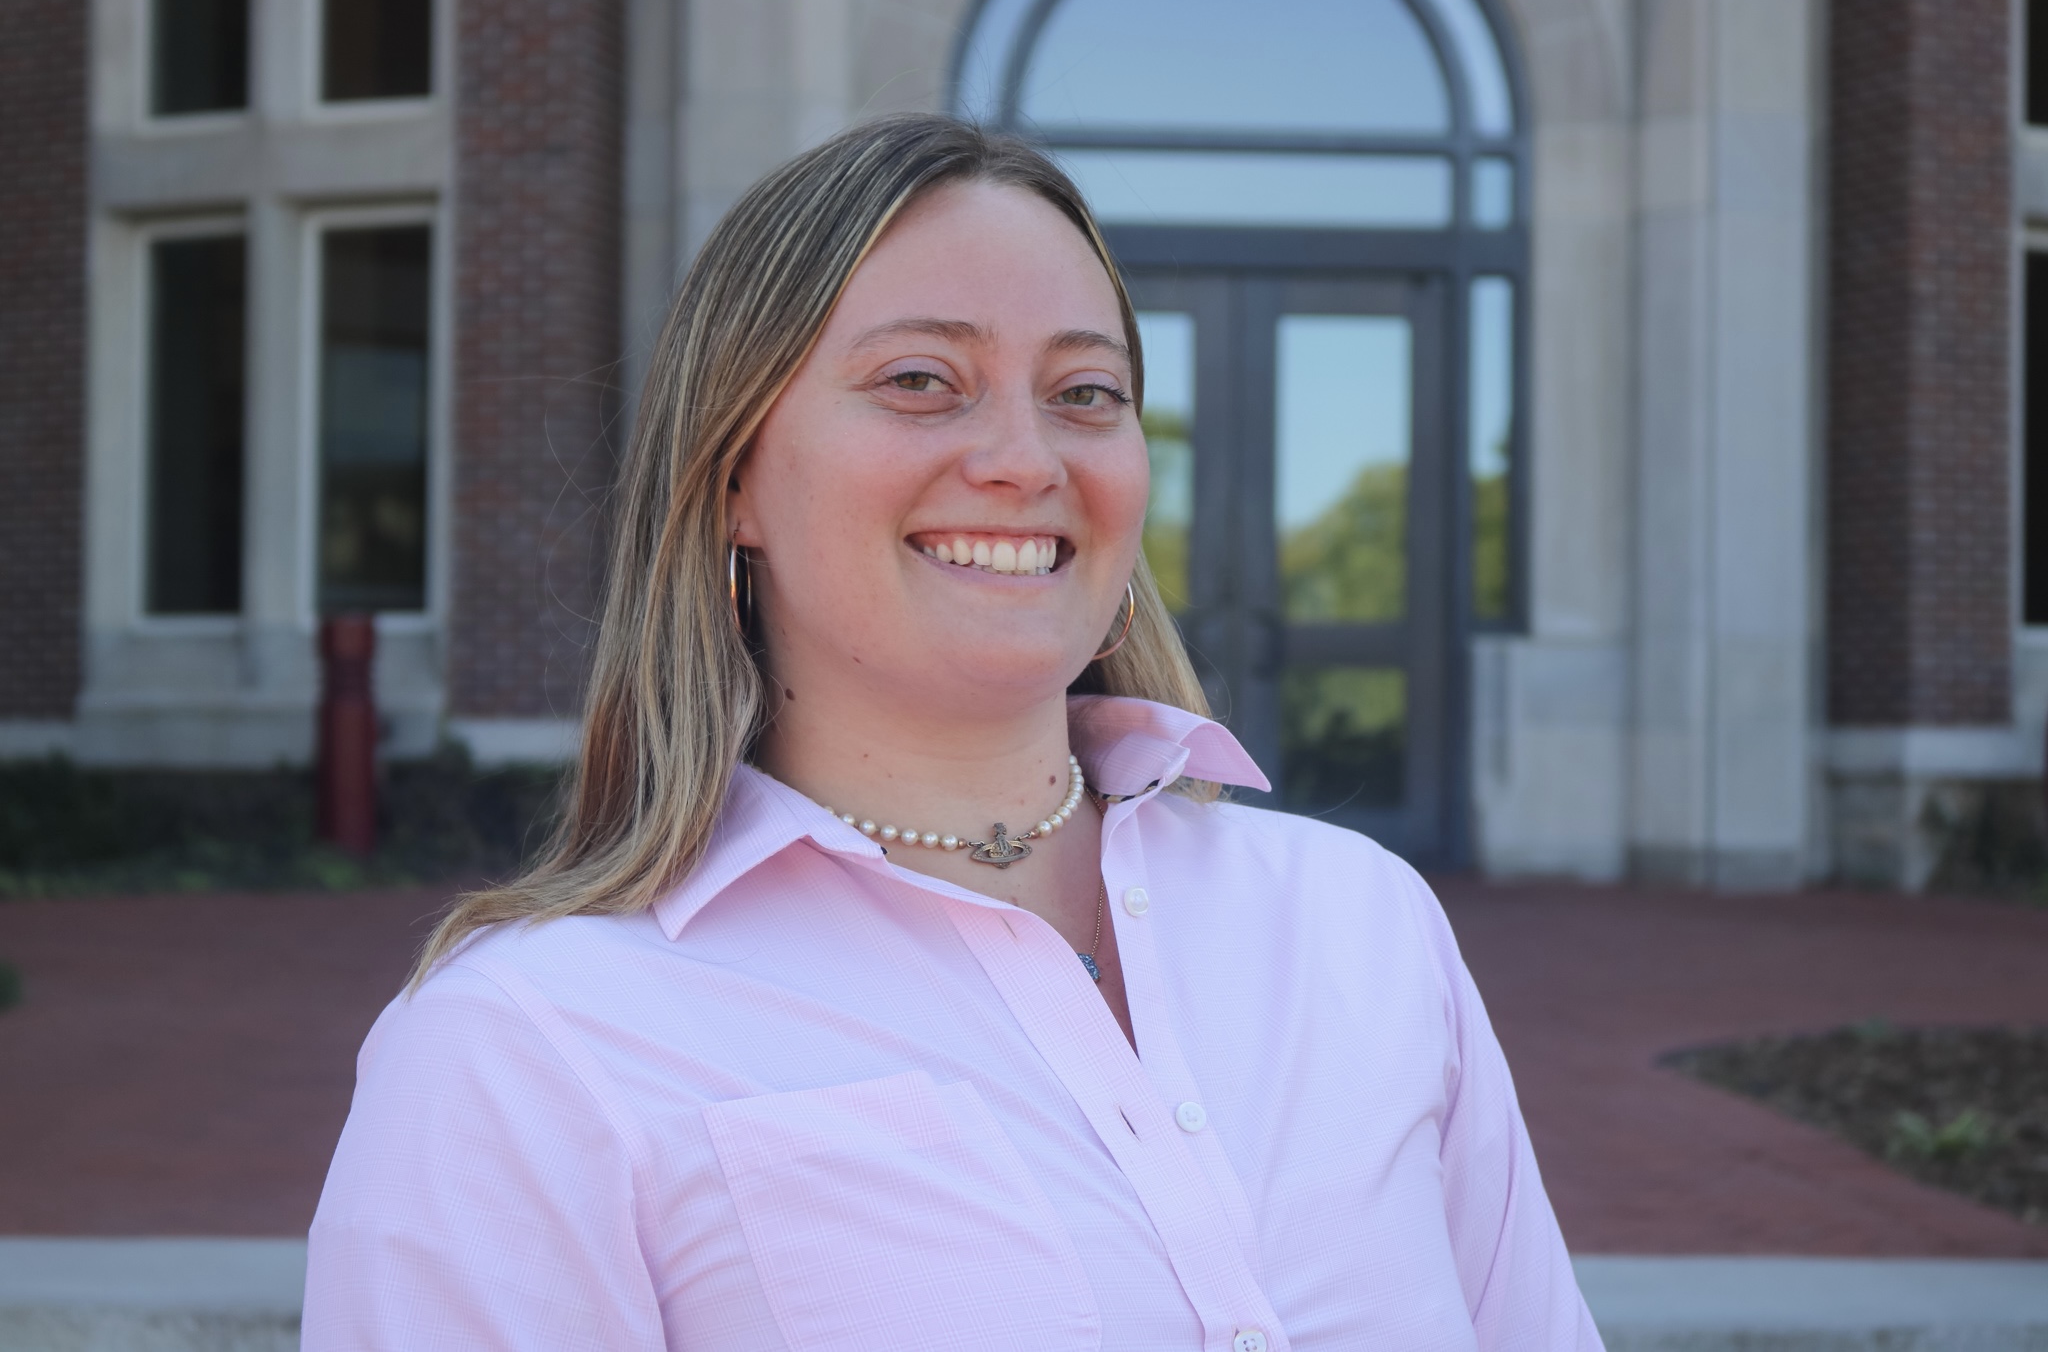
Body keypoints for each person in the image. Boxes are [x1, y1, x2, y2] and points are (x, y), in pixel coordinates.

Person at [302, 114, 1603, 1350]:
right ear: (735, 472)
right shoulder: (525, 1047)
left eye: (1086, 392)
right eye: (923, 380)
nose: (1026, 457)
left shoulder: (1363, 928)